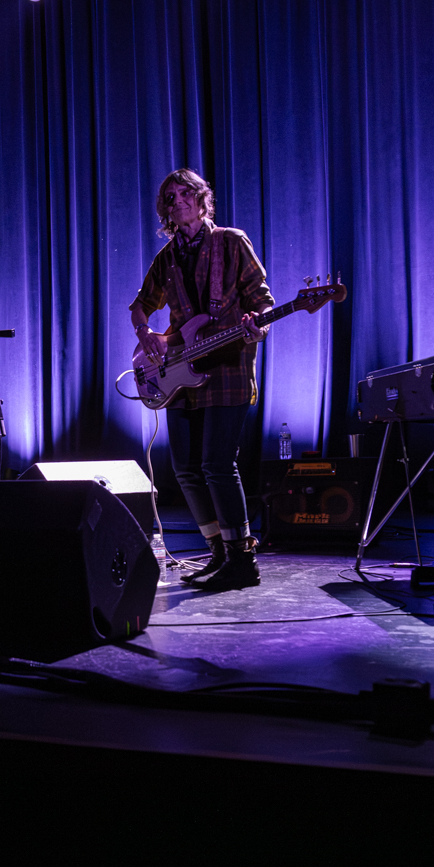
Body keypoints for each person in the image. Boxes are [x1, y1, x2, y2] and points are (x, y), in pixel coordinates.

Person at [130, 168, 274, 592]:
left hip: (228, 367)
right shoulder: (167, 257)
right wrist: (146, 332)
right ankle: (218, 553)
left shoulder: (231, 241)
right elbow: (140, 306)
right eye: (169, 198)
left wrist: (257, 325)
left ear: (201, 198)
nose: (177, 202)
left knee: (217, 464)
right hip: (179, 370)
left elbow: (263, 302)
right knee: (186, 470)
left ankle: (242, 560)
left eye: (184, 194)